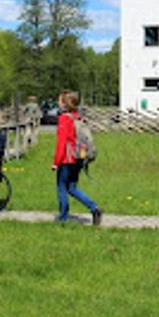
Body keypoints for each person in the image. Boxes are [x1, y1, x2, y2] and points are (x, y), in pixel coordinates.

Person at [54, 90, 103, 225]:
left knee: (62, 187)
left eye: (60, 100)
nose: (58, 103)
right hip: (79, 156)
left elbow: (62, 142)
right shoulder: (78, 117)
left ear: (64, 104)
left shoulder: (64, 118)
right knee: (72, 187)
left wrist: (56, 162)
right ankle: (94, 208)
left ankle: (63, 218)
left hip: (67, 158)